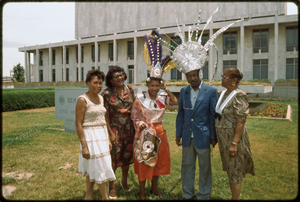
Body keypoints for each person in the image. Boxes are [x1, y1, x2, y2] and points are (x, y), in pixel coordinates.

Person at [131, 29, 178, 200]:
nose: (155, 88)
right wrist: (141, 125)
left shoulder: (163, 97)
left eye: (158, 86)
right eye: (152, 85)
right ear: (148, 85)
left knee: (158, 161)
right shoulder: (139, 98)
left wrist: (167, 89)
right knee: (144, 161)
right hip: (144, 133)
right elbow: (134, 117)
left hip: (160, 132)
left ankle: (154, 187)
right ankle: (142, 191)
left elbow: (175, 102)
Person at [176, 69, 218, 200]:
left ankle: (204, 195)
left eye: (194, 75)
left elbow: (213, 115)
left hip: (203, 136)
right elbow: (181, 114)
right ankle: (188, 193)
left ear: (200, 74)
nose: (192, 78)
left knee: (205, 167)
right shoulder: (184, 91)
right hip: (187, 136)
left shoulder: (211, 91)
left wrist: (213, 136)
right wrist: (178, 134)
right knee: (187, 166)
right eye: (189, 76)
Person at [215, 67, 255, 200]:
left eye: (225, 77)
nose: (222, 79)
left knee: (235, 171)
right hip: (223, 140)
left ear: (234, 80)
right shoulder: (223, 94)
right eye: (222, 76)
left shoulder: (239, 95)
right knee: (230, 170)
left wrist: (234, 143)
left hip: (233, 140)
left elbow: (241, 122)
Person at [76, 69, 116, 200]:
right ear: (88, 83)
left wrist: (109, 139)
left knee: (93, 167)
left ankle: (88, 196)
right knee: (100, 168)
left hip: (102, 136)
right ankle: (105, 198)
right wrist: (84, 146)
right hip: (90, 137)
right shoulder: (82, 100)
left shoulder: (101, 98)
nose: (98, 85)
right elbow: (78, 124)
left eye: (100, 83)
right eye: (95, 82)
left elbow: (103, 119)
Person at [101, 66, 135, 199]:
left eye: (121, 75)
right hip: (115, 128)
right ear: (111, 80)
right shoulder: (107, 94)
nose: (120, 77)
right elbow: (105, 116)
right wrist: (110, 134)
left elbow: (135, 108)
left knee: (127, 156)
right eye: (116, 76)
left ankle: (124, 182)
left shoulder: (130, 89)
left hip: (129, 128)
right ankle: (112, 186)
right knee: (113, 158)